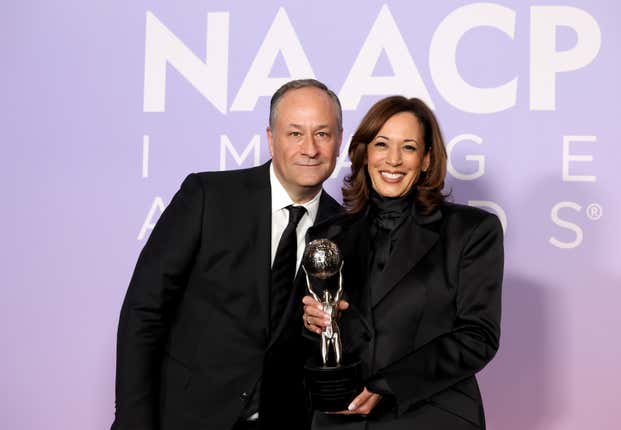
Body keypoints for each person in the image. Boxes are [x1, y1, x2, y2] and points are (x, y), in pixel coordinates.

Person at [112, 79, 345, 430]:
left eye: (322, 134)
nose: (309, 148)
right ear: (271, 138)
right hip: (186, 418)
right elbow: (144, 311)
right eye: (295, 133)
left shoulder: (345, 229)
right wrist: (133, 421)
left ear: (339, 140)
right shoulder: (209, 197)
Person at [303, 96, 503, 429]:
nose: (393, 160)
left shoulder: (471, 231)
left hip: (432, 416)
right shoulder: (327, 236)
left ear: (426, 159)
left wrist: (387, 385)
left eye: (408, 148)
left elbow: (477, 336)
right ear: (365, 153)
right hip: (340, 420)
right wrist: (312, 324)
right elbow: (312, 341)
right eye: (382, 144)